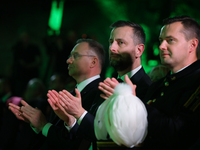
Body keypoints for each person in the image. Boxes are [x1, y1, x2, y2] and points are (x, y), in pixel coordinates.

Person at [99, 16, 200, 150]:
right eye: (161, 40)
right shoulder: (158, 85)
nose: (162, 46)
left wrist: (132, 102)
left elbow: (178, 133)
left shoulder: (196, 83)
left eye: (170, 40)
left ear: (192, 45)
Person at [53, 20, 152, 150]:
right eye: (111, 42)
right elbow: (94, 135)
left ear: (139, 50)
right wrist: (71, 121)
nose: (112, 48)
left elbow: (135, 139)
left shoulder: (147, 88)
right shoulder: (106, 84)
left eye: (120, 43)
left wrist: (80, 113)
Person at [9, 38, 105, 150]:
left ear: (93, 62)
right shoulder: (70, 93)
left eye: (75, 56)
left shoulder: (101, 93)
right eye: (70, 56)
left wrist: (44, 126)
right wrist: (37, 123)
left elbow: (78, 142)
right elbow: (56, 137)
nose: (68, 60)